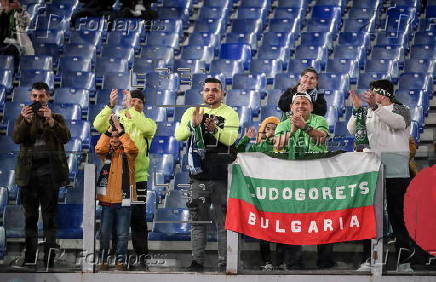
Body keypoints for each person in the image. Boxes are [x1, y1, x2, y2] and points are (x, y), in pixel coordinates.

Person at [347, 80, 414, 271]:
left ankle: (404, 260)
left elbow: (398, 124)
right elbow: (352, 130)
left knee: (398, 215)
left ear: (383, 93)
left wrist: (375, 108)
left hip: (396, 170)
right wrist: (358, 111)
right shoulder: (368, 111)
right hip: (372, 167)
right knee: (370, 215)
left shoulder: (402, 109)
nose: (370, 95)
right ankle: (370, 258)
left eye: (374, 92)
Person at [175, 77, 239, 272]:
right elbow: (179, 136)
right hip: (198, 176)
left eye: (215, 90)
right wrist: (193, 125)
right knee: (198, 222)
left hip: (222, 176)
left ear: (222, 93)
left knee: (224, 223)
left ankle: (224, 263)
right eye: (207, 90)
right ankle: (197, 262)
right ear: (202, 93)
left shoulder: (230, 113)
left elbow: (231, 138)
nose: (211, 93)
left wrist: (214, 128)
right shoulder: (191, 112)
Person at [93, 89, 156, 269]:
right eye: (132, 100)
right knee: (114, 218)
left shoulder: (148, 122)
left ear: (143, 105)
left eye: (139, 102)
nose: (135, 104)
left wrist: (130, 111)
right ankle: (116, 257)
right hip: (116, 179)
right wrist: (110, 106)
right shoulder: (116, 118)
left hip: (138, 178)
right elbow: (98, 125)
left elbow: (145, 128)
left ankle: (141, 258)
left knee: (138, 218)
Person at [12, 82, 71, 269]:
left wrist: (51, 121)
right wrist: (25, 122)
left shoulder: (57, 117)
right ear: (31, 97)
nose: (37, 100)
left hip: (49, 176)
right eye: (35, 96)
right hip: (29, 175)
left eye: (41, 96)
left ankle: (50, 259)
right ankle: (29, 258)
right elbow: (16, 138)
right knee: (30, 219)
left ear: (48, 97)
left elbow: (66, 137)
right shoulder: (23, 117)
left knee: (49, 220)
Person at [274, 93, 335, 269]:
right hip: (293, 179)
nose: (300, 106)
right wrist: (292, 131)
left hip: (318, 177)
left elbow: (322, 138)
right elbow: (278, 146)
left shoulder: (319, 120)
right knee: (293, 219)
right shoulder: (284, 124)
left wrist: (305, 127)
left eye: (304, 103)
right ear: (291, 108)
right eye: (297, 103)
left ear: (311, 107)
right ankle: (294, 263)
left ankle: (325, 262)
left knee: (323, 219)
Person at [95, 114, 138, 271]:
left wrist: (120, 130)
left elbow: (132, 147)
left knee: (122, 234)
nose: (113, 139)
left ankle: (120, 261)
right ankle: (104, 260)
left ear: (121, 137)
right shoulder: (105, 154)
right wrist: (108, 131)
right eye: (111, 137)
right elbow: (99, 147)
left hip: (124, 201)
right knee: (105, 234)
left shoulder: (129, 155)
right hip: (107, 201)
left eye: (116, 136)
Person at [236, 116, 280, 270]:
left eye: (274, 129)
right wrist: (246, 139)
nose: (271, 132)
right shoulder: (256, 146)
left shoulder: (283, 146)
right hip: (262, 192)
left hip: (280, 191)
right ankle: (266, 261)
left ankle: (281, 262)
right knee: (264, 230)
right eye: (268, 128)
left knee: (282, 227)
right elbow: (239, 154)